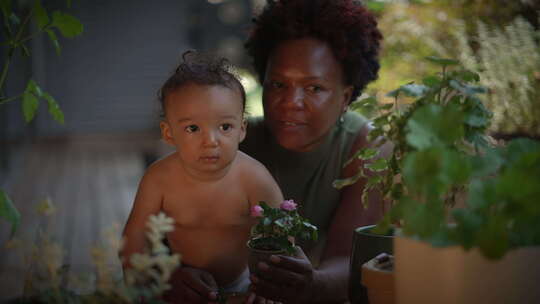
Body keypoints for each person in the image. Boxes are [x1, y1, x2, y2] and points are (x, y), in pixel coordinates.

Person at [240, 0, 387, 303]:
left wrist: (313, 284)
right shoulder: (237, 141)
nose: (291, 101)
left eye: (314, 88)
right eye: (278, 84)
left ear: (346, 96)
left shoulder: (365, 146)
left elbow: (349, 258)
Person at [120, 51, 284, 303]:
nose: (210, 141)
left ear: (241, 129)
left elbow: (282, 236)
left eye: (225, 127)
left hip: (245, 283)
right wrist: (156, 281)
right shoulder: (159, 178)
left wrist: (266, 287)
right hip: (178, 280)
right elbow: (134, 241)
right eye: (193, 128)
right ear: (169, 133)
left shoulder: (254, 178)